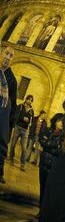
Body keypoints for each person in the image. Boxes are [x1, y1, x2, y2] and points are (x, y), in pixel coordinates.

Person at [38, 113, 65, 207]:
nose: (61, 123)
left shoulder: (63, 136)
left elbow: (61, 151)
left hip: (54, 166)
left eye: (63, 121)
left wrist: (48, 145)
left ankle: (45, 210)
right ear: (55, 121)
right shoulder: (48, 130)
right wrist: (54, 145)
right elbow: (42, 141)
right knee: (42, 187)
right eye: (59, 120)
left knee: (49, 190)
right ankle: (40, 208)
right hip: (43, 163)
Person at [0, 45, 17, 183]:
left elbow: (13, 102)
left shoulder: (11, 79)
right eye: (6, 53)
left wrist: (10, 124)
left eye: (11, 56)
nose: (7, 57)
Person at [9, 94, 34, 171]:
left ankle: (22, 164)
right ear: (26, 99)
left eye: (31, 100)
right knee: (13, 144)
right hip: (18, 127)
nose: (29, 101)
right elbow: (16, 115)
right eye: (28, 99)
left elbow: (31, 121)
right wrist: (23, 118)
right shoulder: (20, 106)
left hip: (25, 130)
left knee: (24, 148)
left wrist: (29, 122)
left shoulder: (31, 111)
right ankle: (11, 158)